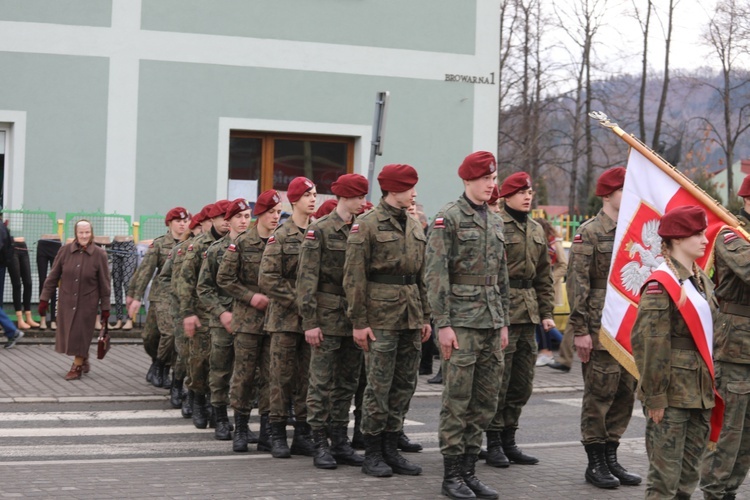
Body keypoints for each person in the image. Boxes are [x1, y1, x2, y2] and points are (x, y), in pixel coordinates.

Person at [425, 151, 509, 499]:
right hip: (461, 324)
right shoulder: (449, 218)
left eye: (493, 178)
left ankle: (470, 471)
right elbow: (435, 275)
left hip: (491, 322)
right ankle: (451, 476)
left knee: (486, 401)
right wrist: (443, 323)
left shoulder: (495, 219)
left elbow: (501, 277)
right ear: (468, 180)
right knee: (458, 400)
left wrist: (503, 322)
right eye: (486, 179)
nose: (492, 185)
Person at [343, 163, 431, 478]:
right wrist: (359, 321)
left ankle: (392, 448)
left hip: (410, 315)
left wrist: (424, 315)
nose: (414, 192)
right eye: (409, 187)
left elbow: (421, 276)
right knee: (378, 387)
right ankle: (373, 452)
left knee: (404, 385)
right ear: (393, 189)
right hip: (379, 317)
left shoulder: (414, 224)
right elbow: (354, 277)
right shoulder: (366, 225)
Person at [631, 205, 720, 499]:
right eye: (697, 234)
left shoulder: (700, 280)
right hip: (671, 396)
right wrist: (655, 396)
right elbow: (650, 344)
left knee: (687, 479)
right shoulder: (660, 285)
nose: (705, 239)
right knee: (664, 481)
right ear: (678, 239)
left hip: (700, 393)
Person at [566, 166, 641, 488]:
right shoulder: (590, 231)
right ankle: (595, 462)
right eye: (625, 190)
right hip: (599, 327)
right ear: (608, 194)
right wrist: (580, 330)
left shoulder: (634, 232)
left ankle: (612, 456)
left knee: (625, 393)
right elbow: (577, 283)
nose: (630, 196)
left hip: (629, 327)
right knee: (599, 394)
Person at [297, 173, 369, 469]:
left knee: (348, 382)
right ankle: (319, 441)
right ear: (345, 198)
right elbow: (306, 279)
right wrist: (310, 321)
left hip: (353, 317)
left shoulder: (363, 228)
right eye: (359, 197)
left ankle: (340, 440)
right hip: (326, 316)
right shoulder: (321, 230)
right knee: (321, 382)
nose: (363, 202)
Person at [485, 172, 553, 469]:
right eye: (521, 191)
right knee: (498, 381)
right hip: (502, 312)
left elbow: (544, 276)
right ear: (506, 197)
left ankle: (510, 439)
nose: (528, 196)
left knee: (522, 383)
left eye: (529, 191)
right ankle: (494, 442)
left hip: (528, 314)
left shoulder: (537, 229)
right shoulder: (496, 224)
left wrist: (547, 313)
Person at [217, 190, 282, 453]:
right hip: (247, 322)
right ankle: (241, 428)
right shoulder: (243, 243)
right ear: (260, 215)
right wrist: (250, 296)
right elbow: (225, 279)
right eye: (271, 213)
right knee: (244, 376)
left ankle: (267, 429)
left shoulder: (281, 241)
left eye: (279, 213)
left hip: (275, 321)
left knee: (271, 376)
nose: (276, 217)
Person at [259, 177, 317, 459]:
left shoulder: (318, 232)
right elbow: (268, 278)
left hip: (311, 321)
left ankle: (303, 434)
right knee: (281, 378)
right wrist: (300, 301)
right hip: (284, 320)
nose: (313, 199)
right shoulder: (281, 235)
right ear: (294, 200)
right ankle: (278, 432)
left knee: (308, 378)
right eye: (307, 195)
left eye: (315, 194)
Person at [700, 175, 750, 500]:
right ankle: (714, 491)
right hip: (735, 350)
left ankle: (730, 489)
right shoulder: (731, 236)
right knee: (729, 428)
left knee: (747, 434)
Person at [175, 199, 231, 429]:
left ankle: (214, 402)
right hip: (201, 313)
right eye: (223, 219)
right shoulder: (197, 246)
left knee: (221, 364)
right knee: (199, 362)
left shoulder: (236, 243)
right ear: (213, 221)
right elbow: (185, 282)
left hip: (226, 312)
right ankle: (197, 398)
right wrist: (187, 312)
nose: (228, 223)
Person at [198, 198, 250, 441]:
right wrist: (221, 312)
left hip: (250, 321)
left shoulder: (257, 247)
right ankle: (220, 417)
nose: (243, 221)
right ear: (227, 222)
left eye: (247, 216)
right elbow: (204, 289)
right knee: (220, 370)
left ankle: (242, 421)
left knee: (247, 372)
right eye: (238, 217)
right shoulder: (216, 250)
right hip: (222, 321)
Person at [38, 220, 111, 380]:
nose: (84, 235)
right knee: (69, 335)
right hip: (67, 301)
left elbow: (105, 284)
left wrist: (105, 308)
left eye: (87, 232)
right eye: (81, 232)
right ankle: (83, 358)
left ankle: (76, 366)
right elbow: (52, 277)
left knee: (80, 334)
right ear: (76, 234)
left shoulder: (100, 254)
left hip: (88, 303)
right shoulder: (64, 251)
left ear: (91, 233)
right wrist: (44, 299)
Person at [127, 207, 191, 388]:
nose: (182, 225)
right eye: (178, 221)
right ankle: (157, 360)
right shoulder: (160, 244)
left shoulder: (192, 244)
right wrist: (136, 296)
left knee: (171, 334)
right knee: (150, 337)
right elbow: (145, 271)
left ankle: (161, 366)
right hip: (161, 295)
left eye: (185, 221)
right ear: (169, 223)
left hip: (181, 296)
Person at [534, 217, 567, 367]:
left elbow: (563, 265)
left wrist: (549, 280)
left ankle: (555, 350)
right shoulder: (539, 243)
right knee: (541, 320)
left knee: (544, 319)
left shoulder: (555, 243)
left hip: (550, 288)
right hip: (537, 287)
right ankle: (546, 350)